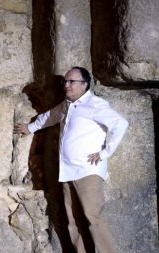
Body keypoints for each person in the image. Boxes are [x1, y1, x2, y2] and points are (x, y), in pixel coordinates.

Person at [14, 66, 128, 253]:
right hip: (67, 171)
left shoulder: (95, 104)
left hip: (88, 171)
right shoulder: (67, 105)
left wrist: (104, 153)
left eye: (71, 81)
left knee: (93, 216)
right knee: (73, 219)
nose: (67, 85)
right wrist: (31, 127)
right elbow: (50, 117)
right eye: (65, 81)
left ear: (84, 84)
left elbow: (121, 124)